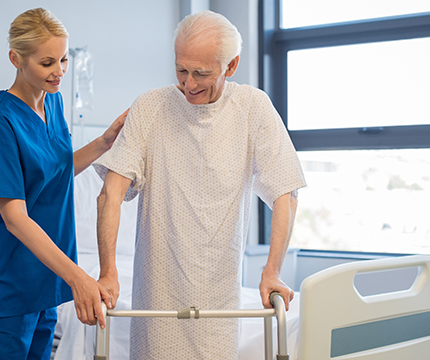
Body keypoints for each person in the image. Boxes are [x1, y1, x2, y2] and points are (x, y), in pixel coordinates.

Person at [93, 10, 306, 359]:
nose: (189, 84)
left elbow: (287, 192)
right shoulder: (151, 106)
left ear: (231, 66)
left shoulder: (253, 107)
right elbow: (109, 196)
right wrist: (108, 272)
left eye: (201, 73)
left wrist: (273, 272)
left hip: (219, 292)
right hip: (157, 289)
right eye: (181, 70)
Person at [0, 8, 127, 360]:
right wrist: (79, 277)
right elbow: (15, 217)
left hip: (43, 285)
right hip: (3, 291)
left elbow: (56, 172)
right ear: (16, 59)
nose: (59, 71)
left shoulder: (53, 102)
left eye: (64, 59)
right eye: (47, 62)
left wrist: (103, 143)